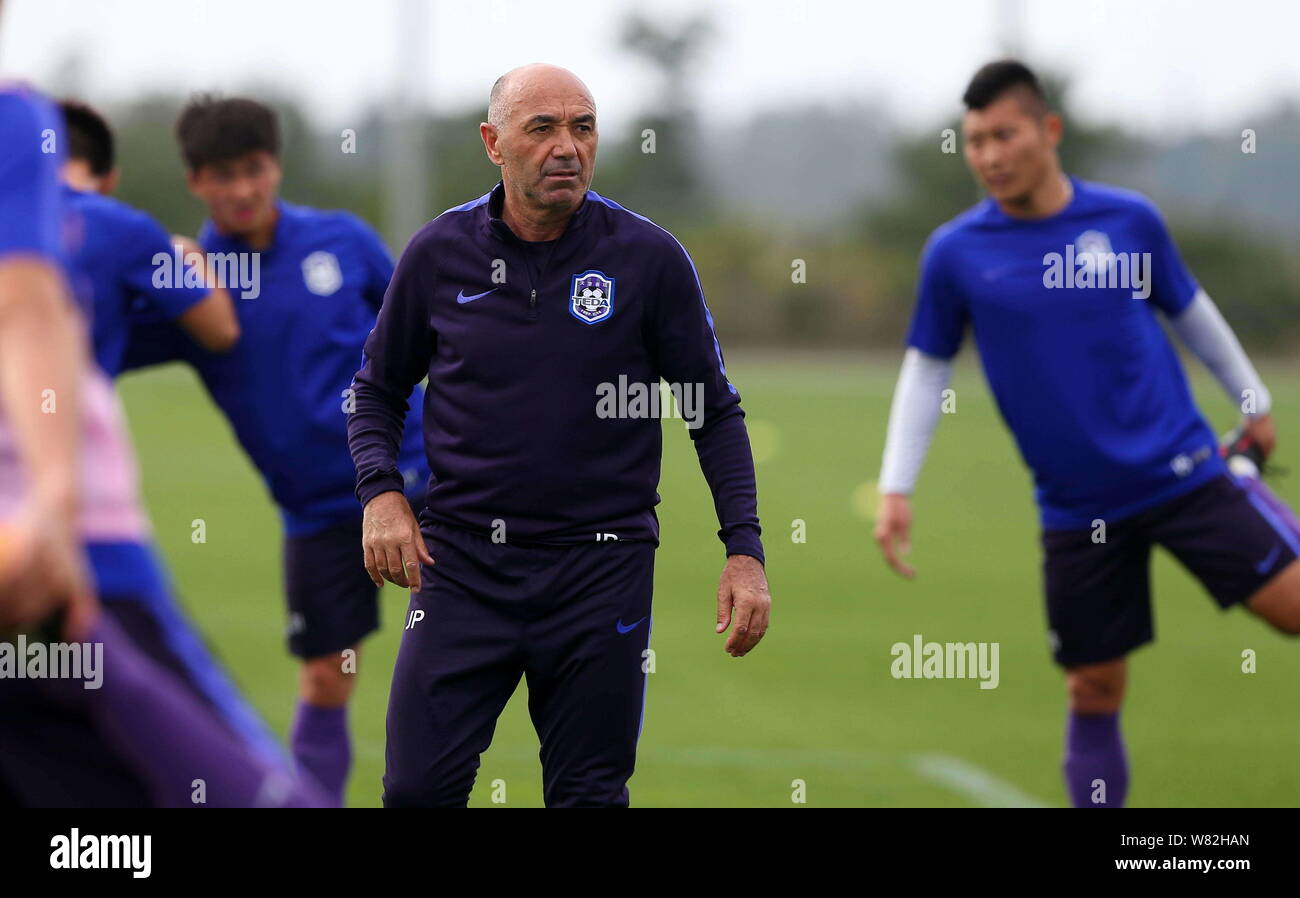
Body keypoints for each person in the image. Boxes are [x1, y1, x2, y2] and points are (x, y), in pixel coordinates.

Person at [874, 60, 1300, 808]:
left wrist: (1252, 399)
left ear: (1048, 131)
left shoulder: (1128, 220)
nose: (989, 156)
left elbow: (1189, 310)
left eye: (1003, 135)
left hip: (1185, 474)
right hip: (1076, 508)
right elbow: (925, 369)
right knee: (1093, 685)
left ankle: (1238, 491)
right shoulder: (955, 252)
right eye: (974, 141)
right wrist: (896, 486)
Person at [349, 63, 772, 808]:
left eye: (583, 127)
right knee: (415, 791)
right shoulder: (438, 253)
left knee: (588, 795)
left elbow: (714, 410)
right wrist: (382, 495)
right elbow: (376, 390)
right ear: (494, 142)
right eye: (541, 129)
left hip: (599, 568)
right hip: (461, 565)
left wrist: (744, 551)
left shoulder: (648, 259)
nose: (567, 147)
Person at [0, 82, 327, 808]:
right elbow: (217, 328)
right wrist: (185, 265)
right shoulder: (118, 224)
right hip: (73, 536)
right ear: (107, 175)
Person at [121, 95, 428, 804]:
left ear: (276, 166)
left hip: (425, 484)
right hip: (318, 515)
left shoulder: (344, 242)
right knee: (326, 676)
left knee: (449, 662)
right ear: (196, 181)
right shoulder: (190, 288)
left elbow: (426, 332)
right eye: (221, 175)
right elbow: (94, 339)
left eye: (253, 170)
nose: (241, 190)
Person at [58, 99, 239, 377]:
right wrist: (187, 252)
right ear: (109, 181)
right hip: (61, 416)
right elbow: (221, 331)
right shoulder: (125, 230)